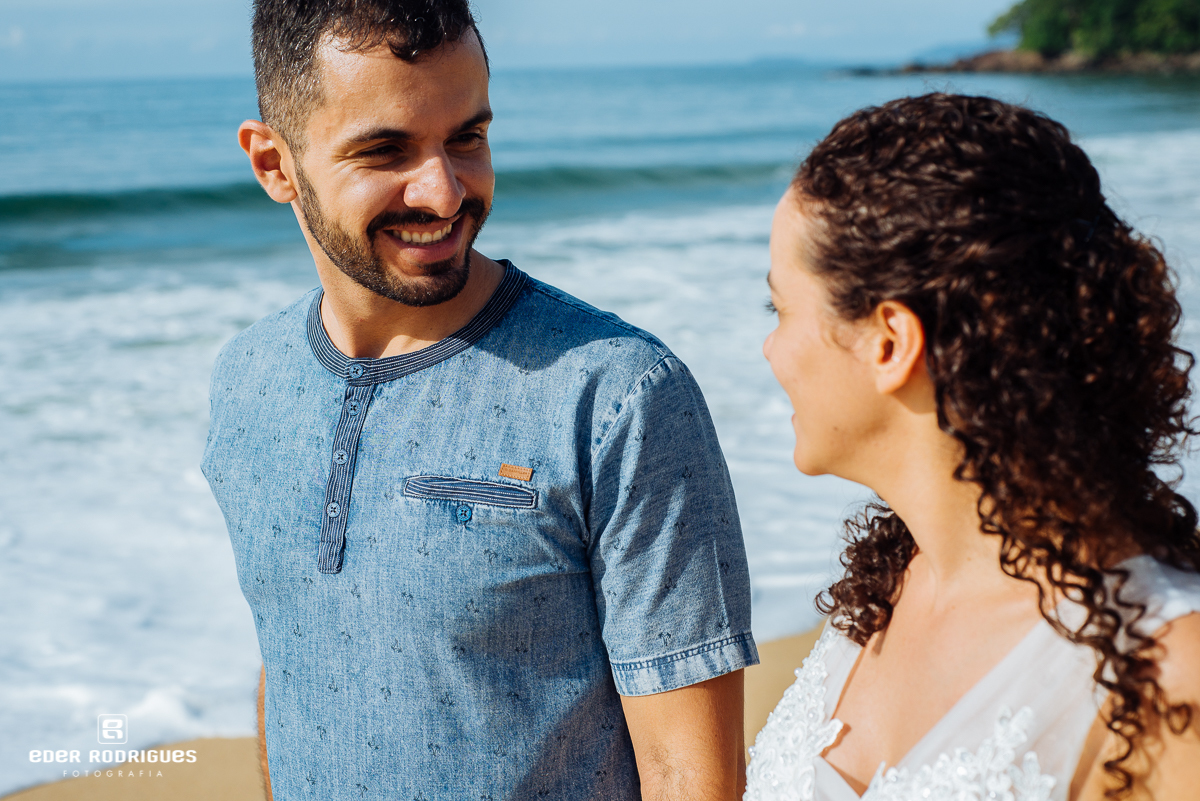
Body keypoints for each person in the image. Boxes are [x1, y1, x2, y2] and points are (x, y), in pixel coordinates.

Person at [201, 1, 758, 799]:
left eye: (467, 138)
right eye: (386, 149)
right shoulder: (248, 382)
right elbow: (295, 657)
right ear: (273, 163)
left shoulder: (617, 396)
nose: (444, 192)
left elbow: (690, 775)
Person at [745, 93, 1200, 801]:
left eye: (781, 309)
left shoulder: (1166, 675)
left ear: (890, 342)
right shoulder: (882, 594)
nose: (769, 348)